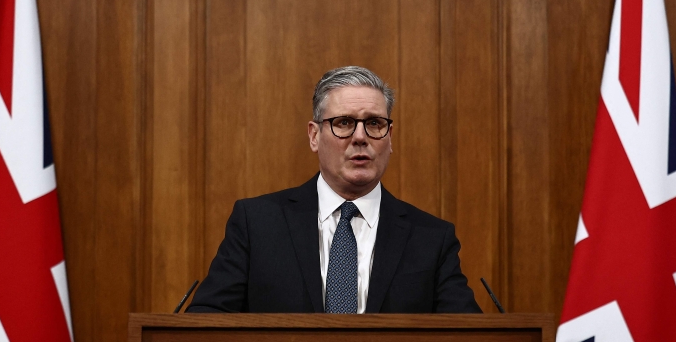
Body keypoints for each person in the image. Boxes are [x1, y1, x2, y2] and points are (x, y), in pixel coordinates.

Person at [187, 65, 481, 314]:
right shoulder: (258, 223)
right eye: (344, 123)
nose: (360, 137)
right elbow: (205, 324)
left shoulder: (431, 238)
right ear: (315, 136)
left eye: (375, 124)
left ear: (389, 138)